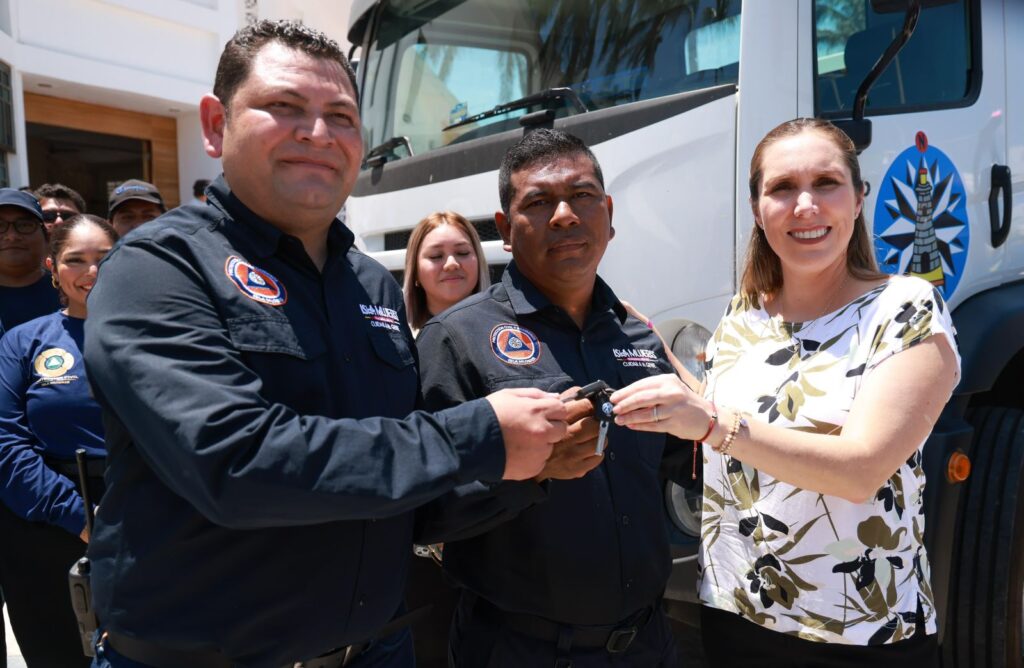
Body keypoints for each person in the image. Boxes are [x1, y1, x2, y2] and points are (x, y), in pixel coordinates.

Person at [83, 20, 567, 668]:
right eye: (284, 108)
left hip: (378, 650)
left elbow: (393, 481)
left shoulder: (370, 282)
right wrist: (480, 436)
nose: (318, 134)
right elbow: (234, 463)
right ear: (215, 124)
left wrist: (529, 466)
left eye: (341, 116)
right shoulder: (157, 268)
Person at [611, 118, 960, 666]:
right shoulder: (744, 313)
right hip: (734, 608)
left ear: (858, 197)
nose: (805, 205)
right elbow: (726, 418)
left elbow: (859, 470)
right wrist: (649, 345)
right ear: (757, 209)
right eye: (782, 188)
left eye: (826, 183)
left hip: (856, 632)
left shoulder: (905, 308)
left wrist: (709, 423)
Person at [414, 128, 689, 667]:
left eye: (582, 196)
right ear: (505, 231)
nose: (564, 215)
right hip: (521, 650)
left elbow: (685, 464)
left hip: (649, 643)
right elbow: (423, 511)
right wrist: (529, 470)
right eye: (538, 202)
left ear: (608, 214)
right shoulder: (456, 338)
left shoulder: (636, 336)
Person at [0, 214, 117, 668]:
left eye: (104, 259)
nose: (91, 272)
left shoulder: (160, 335)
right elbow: (6, 443)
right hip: (44, 526)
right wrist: (78, 515)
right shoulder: (22, 342)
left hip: (146, 518)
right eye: (75, 260)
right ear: (52, 267)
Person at [403, 211, 489, 335]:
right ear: (415, 271)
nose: (451, 264)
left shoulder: (505, 331)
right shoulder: (399, 342)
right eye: (436, 256)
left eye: (462, 252)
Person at [0, 188, 61, 331]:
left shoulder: (72, 293)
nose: (12, 235)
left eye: (24, 225)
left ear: (46, 236)